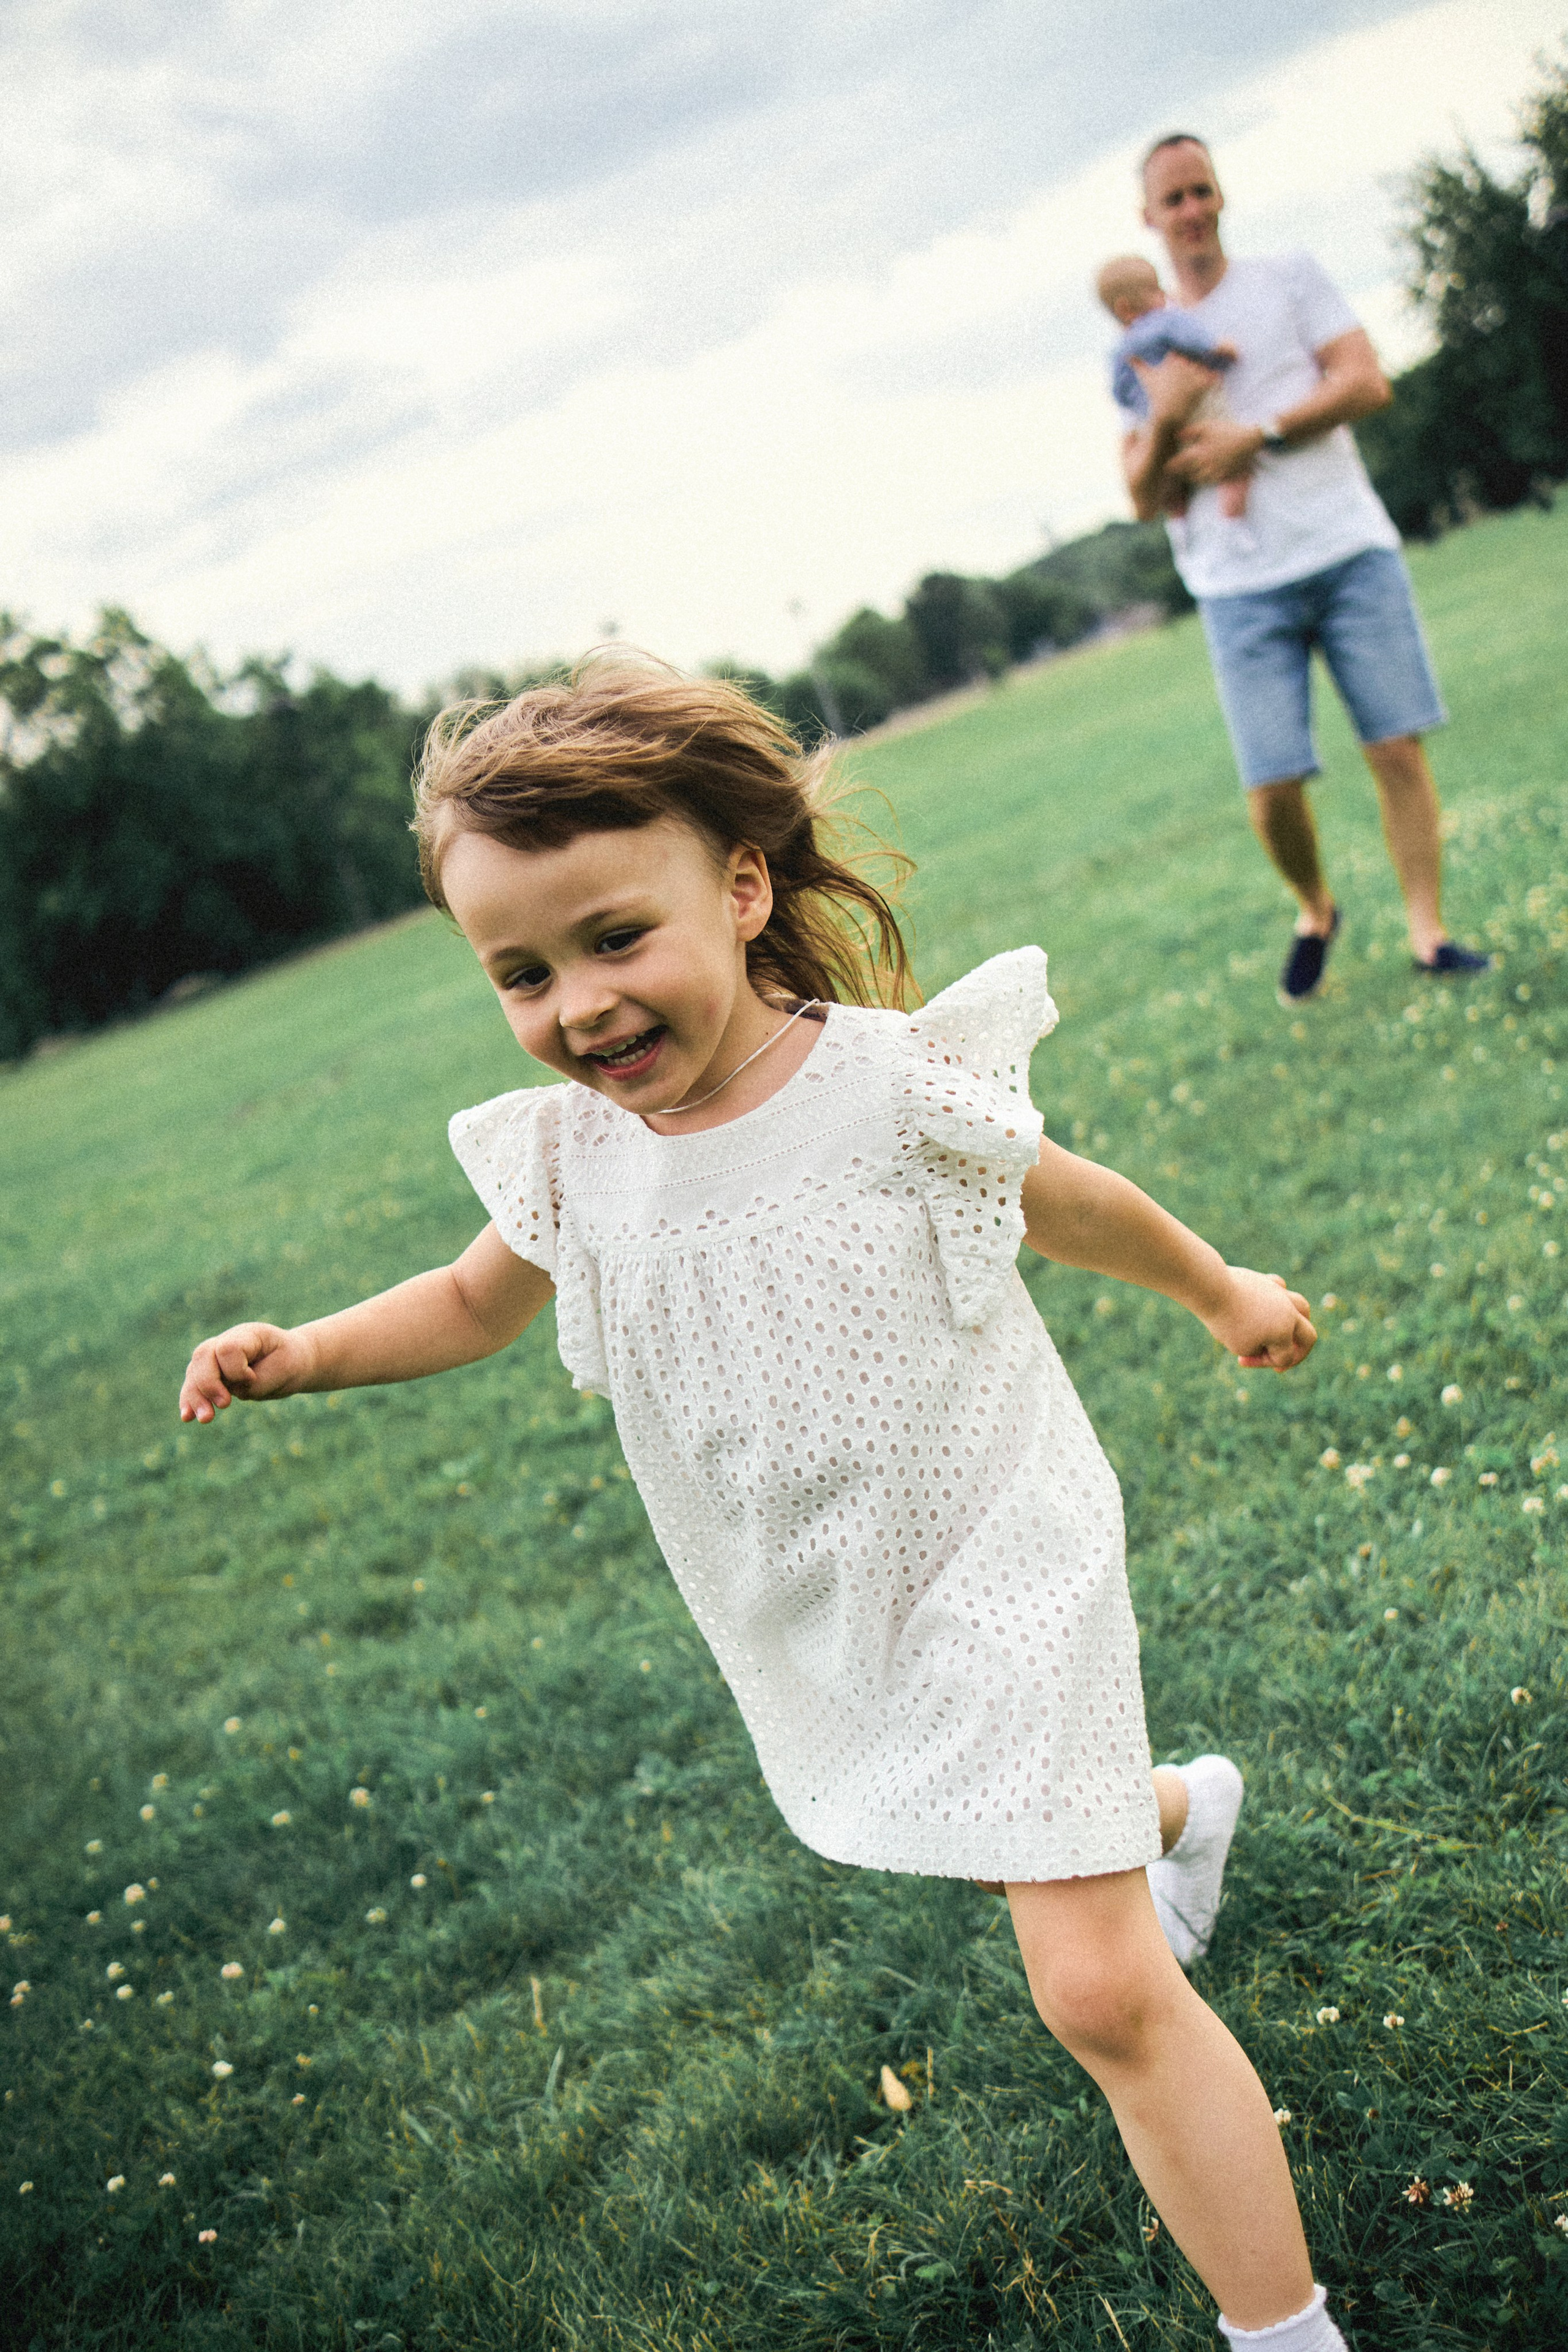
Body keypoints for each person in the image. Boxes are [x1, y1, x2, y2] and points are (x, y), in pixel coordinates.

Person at [177, 657, 1350, 2351]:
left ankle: (1284, 2330)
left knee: (1095, 1988)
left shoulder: (879, 1087)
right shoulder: (577, 1157)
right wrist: (306, 1353)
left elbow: (1068, 1205)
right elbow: (467, 1305)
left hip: (996, 1539)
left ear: (741, 892)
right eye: (521, 971)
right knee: (1016, 1831)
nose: (577, 1005)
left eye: (614, 939)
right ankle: (1180, 1809)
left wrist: (1221, 1286)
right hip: (820, 1585)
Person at [1121, 132, 1490, 1002]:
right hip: (1237, 586)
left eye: (1202, 190)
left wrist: (1264, 431)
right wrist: (1170, 413)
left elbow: (1366, 382)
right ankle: (1317, 907)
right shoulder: (1147, 339)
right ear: (1149, 218)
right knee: (1272, 786)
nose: (1192, 210)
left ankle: (1429, 936)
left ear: (1222, 196)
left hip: (1345, 548)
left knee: (1396, 748)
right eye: (1173, 199)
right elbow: (1139, 495)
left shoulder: (1287, 278)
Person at [1096, 254, 1249, 521]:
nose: (1163, 294)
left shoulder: (1118, 353)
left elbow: (1118, 392)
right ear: (1126, 308)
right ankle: (1234, 484)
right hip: (1198, 406)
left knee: (1173, 462)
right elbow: (1194, 339)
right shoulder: (1164, 320)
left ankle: (1178, 500)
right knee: (1224, 435)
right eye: (1154, 289)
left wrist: (1144, 406)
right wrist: (1220, 349)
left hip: (1150, 420)